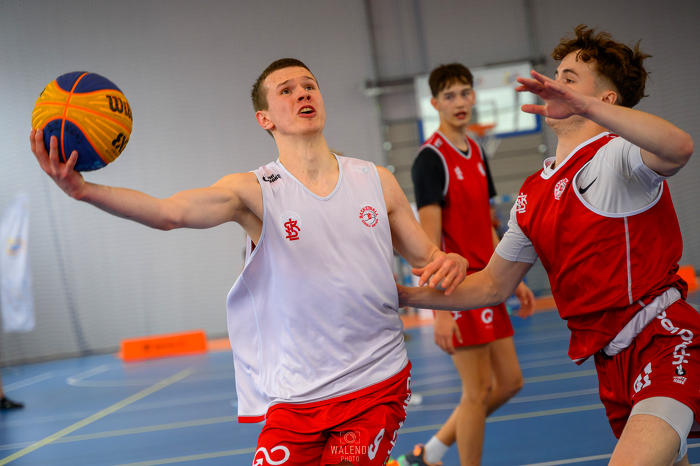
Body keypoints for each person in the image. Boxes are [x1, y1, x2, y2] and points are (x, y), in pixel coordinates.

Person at [30, 58, 468, 466]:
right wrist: (84, 191)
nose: (302, 93)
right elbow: (169, 213)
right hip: (295, 397)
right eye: (286, 90)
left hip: (374, 383)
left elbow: (428, 259)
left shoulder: (376, 180)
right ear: (265, 118)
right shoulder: (254, 191)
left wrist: (449, 261)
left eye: (309, 86)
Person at [399, 25, 695, 466]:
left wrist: (587, 107)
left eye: (569, 79)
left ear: (605, 100)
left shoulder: (618, 156)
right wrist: (403, 296)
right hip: (611, 362)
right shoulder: (533, 191)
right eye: (556, 75)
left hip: (663, 340)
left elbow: (679, 148)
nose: (554, 84)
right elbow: (490, 285)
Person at [397, 64, 534, 466]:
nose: (459, 102)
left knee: (509, 382)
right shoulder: (430, 159)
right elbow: (427, 244)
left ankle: (431, 453)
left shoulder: (476, 151)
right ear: (435, 103)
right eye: (449, 95)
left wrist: (512, 276)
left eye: (464, 93)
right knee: (477, 391)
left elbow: (487, 224)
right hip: (457, 289)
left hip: (488, 284)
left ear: (474, 96)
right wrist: (440, 310)